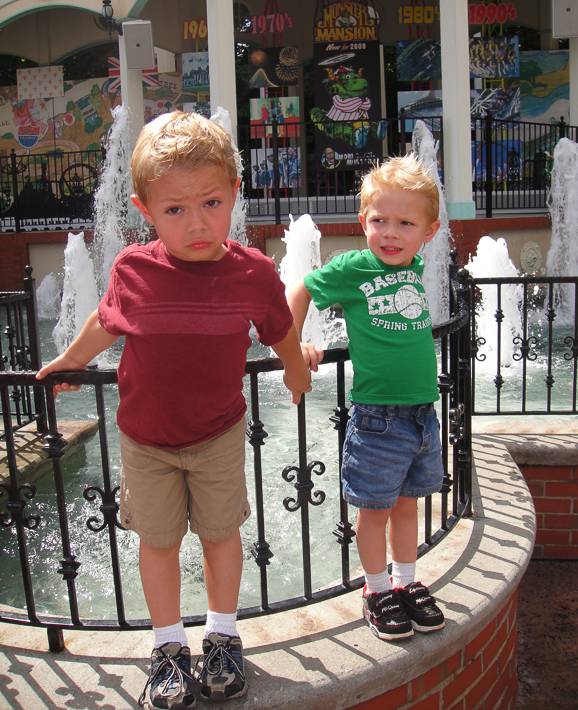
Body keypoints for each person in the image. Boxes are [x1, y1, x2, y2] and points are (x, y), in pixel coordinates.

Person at [36, 111, 312, 709]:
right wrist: (65, 360)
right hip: (146, 440)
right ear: (145, 209)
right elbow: (103, 325)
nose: (196, 223)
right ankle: (167, 648)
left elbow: (280, 329)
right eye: (175, 210)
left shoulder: (252, 272)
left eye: (211, 202)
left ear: (234, 193)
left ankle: (221, 635)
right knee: (157, 543)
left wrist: (293, 365)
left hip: (216, 434)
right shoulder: (135, 269)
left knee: (220, 535)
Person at [287, 152, 446, 642]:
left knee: (406, 507)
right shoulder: (354, 266)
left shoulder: (412, 265)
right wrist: (293, 351)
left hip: (422, 414)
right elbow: (300, 290)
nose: (391, 233)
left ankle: (406, 581)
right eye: (380, 221)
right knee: (374, 511)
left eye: (405, 223)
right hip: (378, 416)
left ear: (429, 231)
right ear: (363, 222)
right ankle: (376, 591)